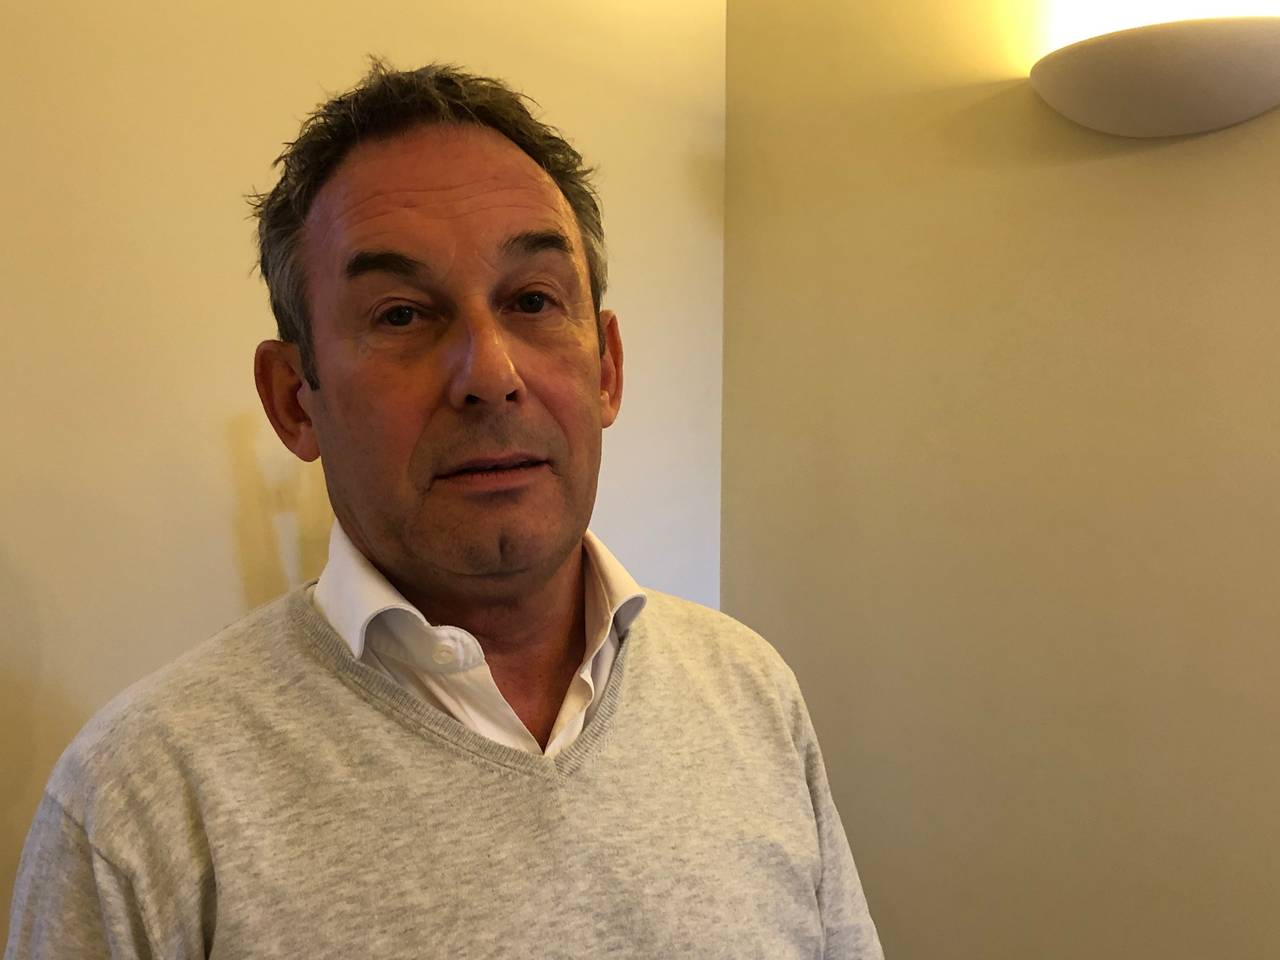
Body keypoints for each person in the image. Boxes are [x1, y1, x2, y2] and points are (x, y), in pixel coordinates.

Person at [4, 62, 884, 959]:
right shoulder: (140, 800)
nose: (491, 375)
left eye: (533, 300)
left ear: (607, 368)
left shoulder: (749, 691)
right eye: (401, 316)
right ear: (294, 400)